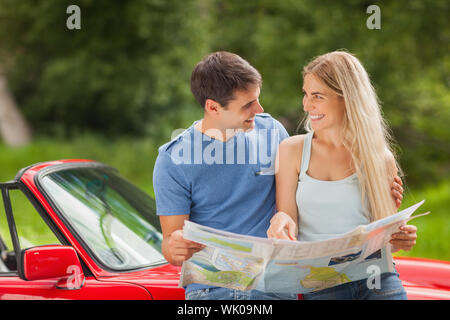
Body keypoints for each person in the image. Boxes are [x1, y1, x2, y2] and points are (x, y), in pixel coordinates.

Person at [153, 51, 404, 300]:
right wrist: (176, 247)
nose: (259, 109)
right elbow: (170, 246)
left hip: (271, 286)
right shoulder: (174, 159)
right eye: (248, 105)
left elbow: (301, 193)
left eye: (257, 99)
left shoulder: (271, 131)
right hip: (212, 289)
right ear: (213, 107)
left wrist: (380, 192)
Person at [267, 50, 417, 300]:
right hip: (322, 282)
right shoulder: (292, 150)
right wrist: (280, 223)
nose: (306, 105)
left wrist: (401, 240)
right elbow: (288, 223)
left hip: (377, 278)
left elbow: (387, 242)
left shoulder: (380, 158)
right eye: (306, 94)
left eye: (317, 96)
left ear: (347, 99)